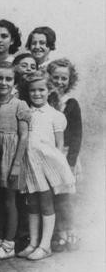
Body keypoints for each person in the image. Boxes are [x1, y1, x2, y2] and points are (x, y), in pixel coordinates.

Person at [17, 72, 75, 260]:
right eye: (33, 90)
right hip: (29, 163)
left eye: (41, 89)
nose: (37, 94)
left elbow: (59, 146)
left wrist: (57, 172)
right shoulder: (26, 112)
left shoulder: (55, 115)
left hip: (47, 166)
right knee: (32, 203)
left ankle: (45, 245)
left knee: (46, 202)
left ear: (49, 91)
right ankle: (33, 242)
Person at [0, 63, 30, 260]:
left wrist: (17, 164)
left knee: (10, 200)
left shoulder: (20, 105)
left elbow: (24, 136)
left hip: (11, 157)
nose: (3, 82)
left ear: (14, 82)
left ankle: (9, 244)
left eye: (8, 79)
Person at [48, 59, 82, 251]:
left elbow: (77, 134)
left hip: (67, 155)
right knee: (52, 197)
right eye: (56, 77)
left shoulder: (71, 104)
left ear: (70, 81)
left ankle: (71, 232)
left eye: (64, 78)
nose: (60, 81)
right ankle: (58, 234)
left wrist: (71, 162)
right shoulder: (45, 100)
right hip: (48, 156)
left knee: (65, 198)